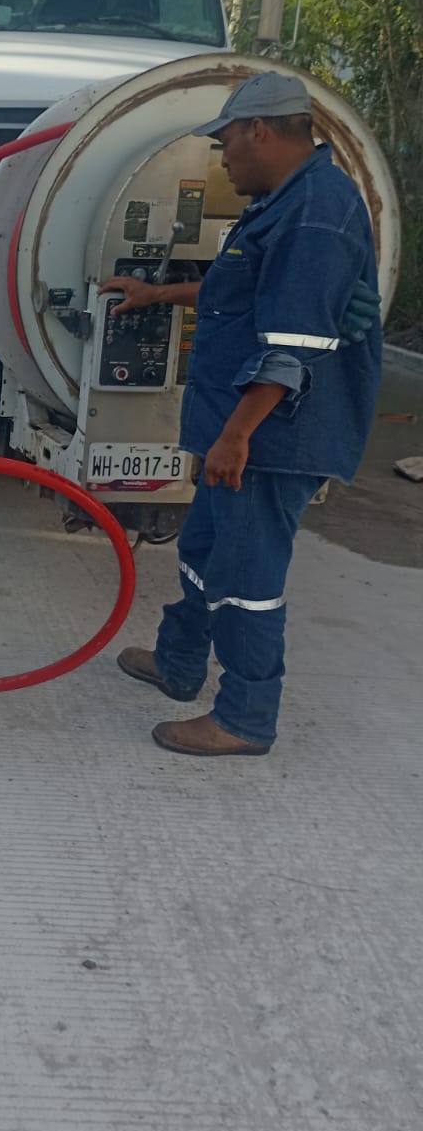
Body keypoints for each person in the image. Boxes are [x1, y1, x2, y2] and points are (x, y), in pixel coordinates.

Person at [102, 71, 382, 756]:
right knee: (202, 550)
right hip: (242, 427)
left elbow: (294, 345)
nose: (223, 158)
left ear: (261, 130)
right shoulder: (283, 203)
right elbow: (238, 291)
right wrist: (156, 293)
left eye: (227, 143)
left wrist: (235, 435)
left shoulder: (317, 213)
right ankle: (179, 661)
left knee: (249, 579)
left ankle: (245, 718)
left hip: (272, 437)